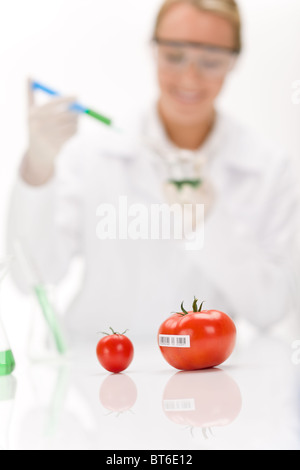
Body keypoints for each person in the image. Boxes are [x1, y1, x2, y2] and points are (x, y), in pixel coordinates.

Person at [7, 0, 300, 343]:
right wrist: (38, 171)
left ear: (233, 62)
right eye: (174, 55)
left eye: (210, 61)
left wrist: (208, 225)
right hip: (96, 371)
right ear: (153, 50)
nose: (190, 77)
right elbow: (32, 278)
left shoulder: (267, 168)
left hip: (204, 374)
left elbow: (270, 308)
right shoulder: (94, 154)